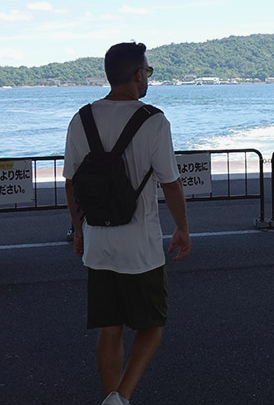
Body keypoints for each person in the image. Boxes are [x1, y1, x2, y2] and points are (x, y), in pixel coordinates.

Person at [63, 42, 191, 405]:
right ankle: (122, 396)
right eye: (147, 71)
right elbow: (170, 182)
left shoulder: (82, 118)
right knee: (152, 324)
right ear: (136, 75)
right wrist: (182, 227)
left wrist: (78, 230)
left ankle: (110, 398)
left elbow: (71, 183)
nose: (147, 78)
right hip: (141, 245)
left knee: (110, 327)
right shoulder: (153, 120)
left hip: (98, 240)